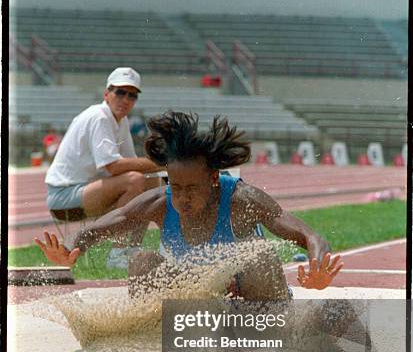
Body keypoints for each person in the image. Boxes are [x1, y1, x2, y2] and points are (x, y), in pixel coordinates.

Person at [36, 111, 343, 300]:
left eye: (191, 189)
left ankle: (272, 336)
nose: (181, 198)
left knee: (260, 257)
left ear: (212, 179)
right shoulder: (161, 202)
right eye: (175, 186)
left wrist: (319, 269)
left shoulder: (241, 200)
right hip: (204, 302)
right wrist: (72, 248)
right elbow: (108, 224)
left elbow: (310, 237)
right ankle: (160, 332)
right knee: (142, 261)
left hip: (254, 300)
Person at [45, 67, 163, 267]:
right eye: (120, 92)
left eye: (132, 95)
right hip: (64, 196)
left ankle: (134, 247)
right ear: (106, 94)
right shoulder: (99, 117)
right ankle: (117, 254)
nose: (126, 99)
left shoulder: (121, 120)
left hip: (88, 190)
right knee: (135, 181)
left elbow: (133, 163)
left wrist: (165, 168)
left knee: (154, 184)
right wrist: (163, 163)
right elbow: (114, 167)